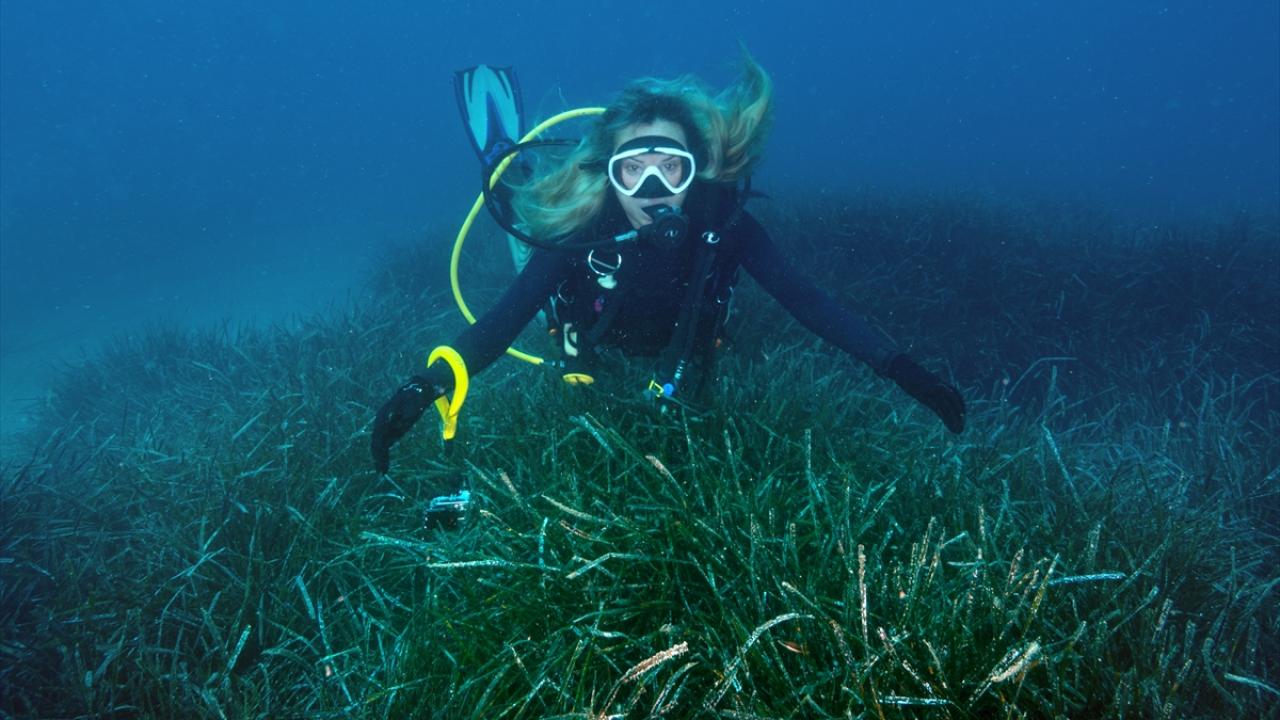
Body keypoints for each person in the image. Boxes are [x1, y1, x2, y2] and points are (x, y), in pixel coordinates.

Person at [371, 57, 964, 475]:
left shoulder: (722, 223)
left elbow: (806, 300)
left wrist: (901, 368)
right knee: (527, 223)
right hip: (587, 333)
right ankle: (503, 154)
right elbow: (502, 321)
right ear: (610, 173)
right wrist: (428, 384)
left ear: (695, 171)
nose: (653, 188)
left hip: (682, 349)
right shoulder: (585, 225)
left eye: (669, 168)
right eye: (633, 169)